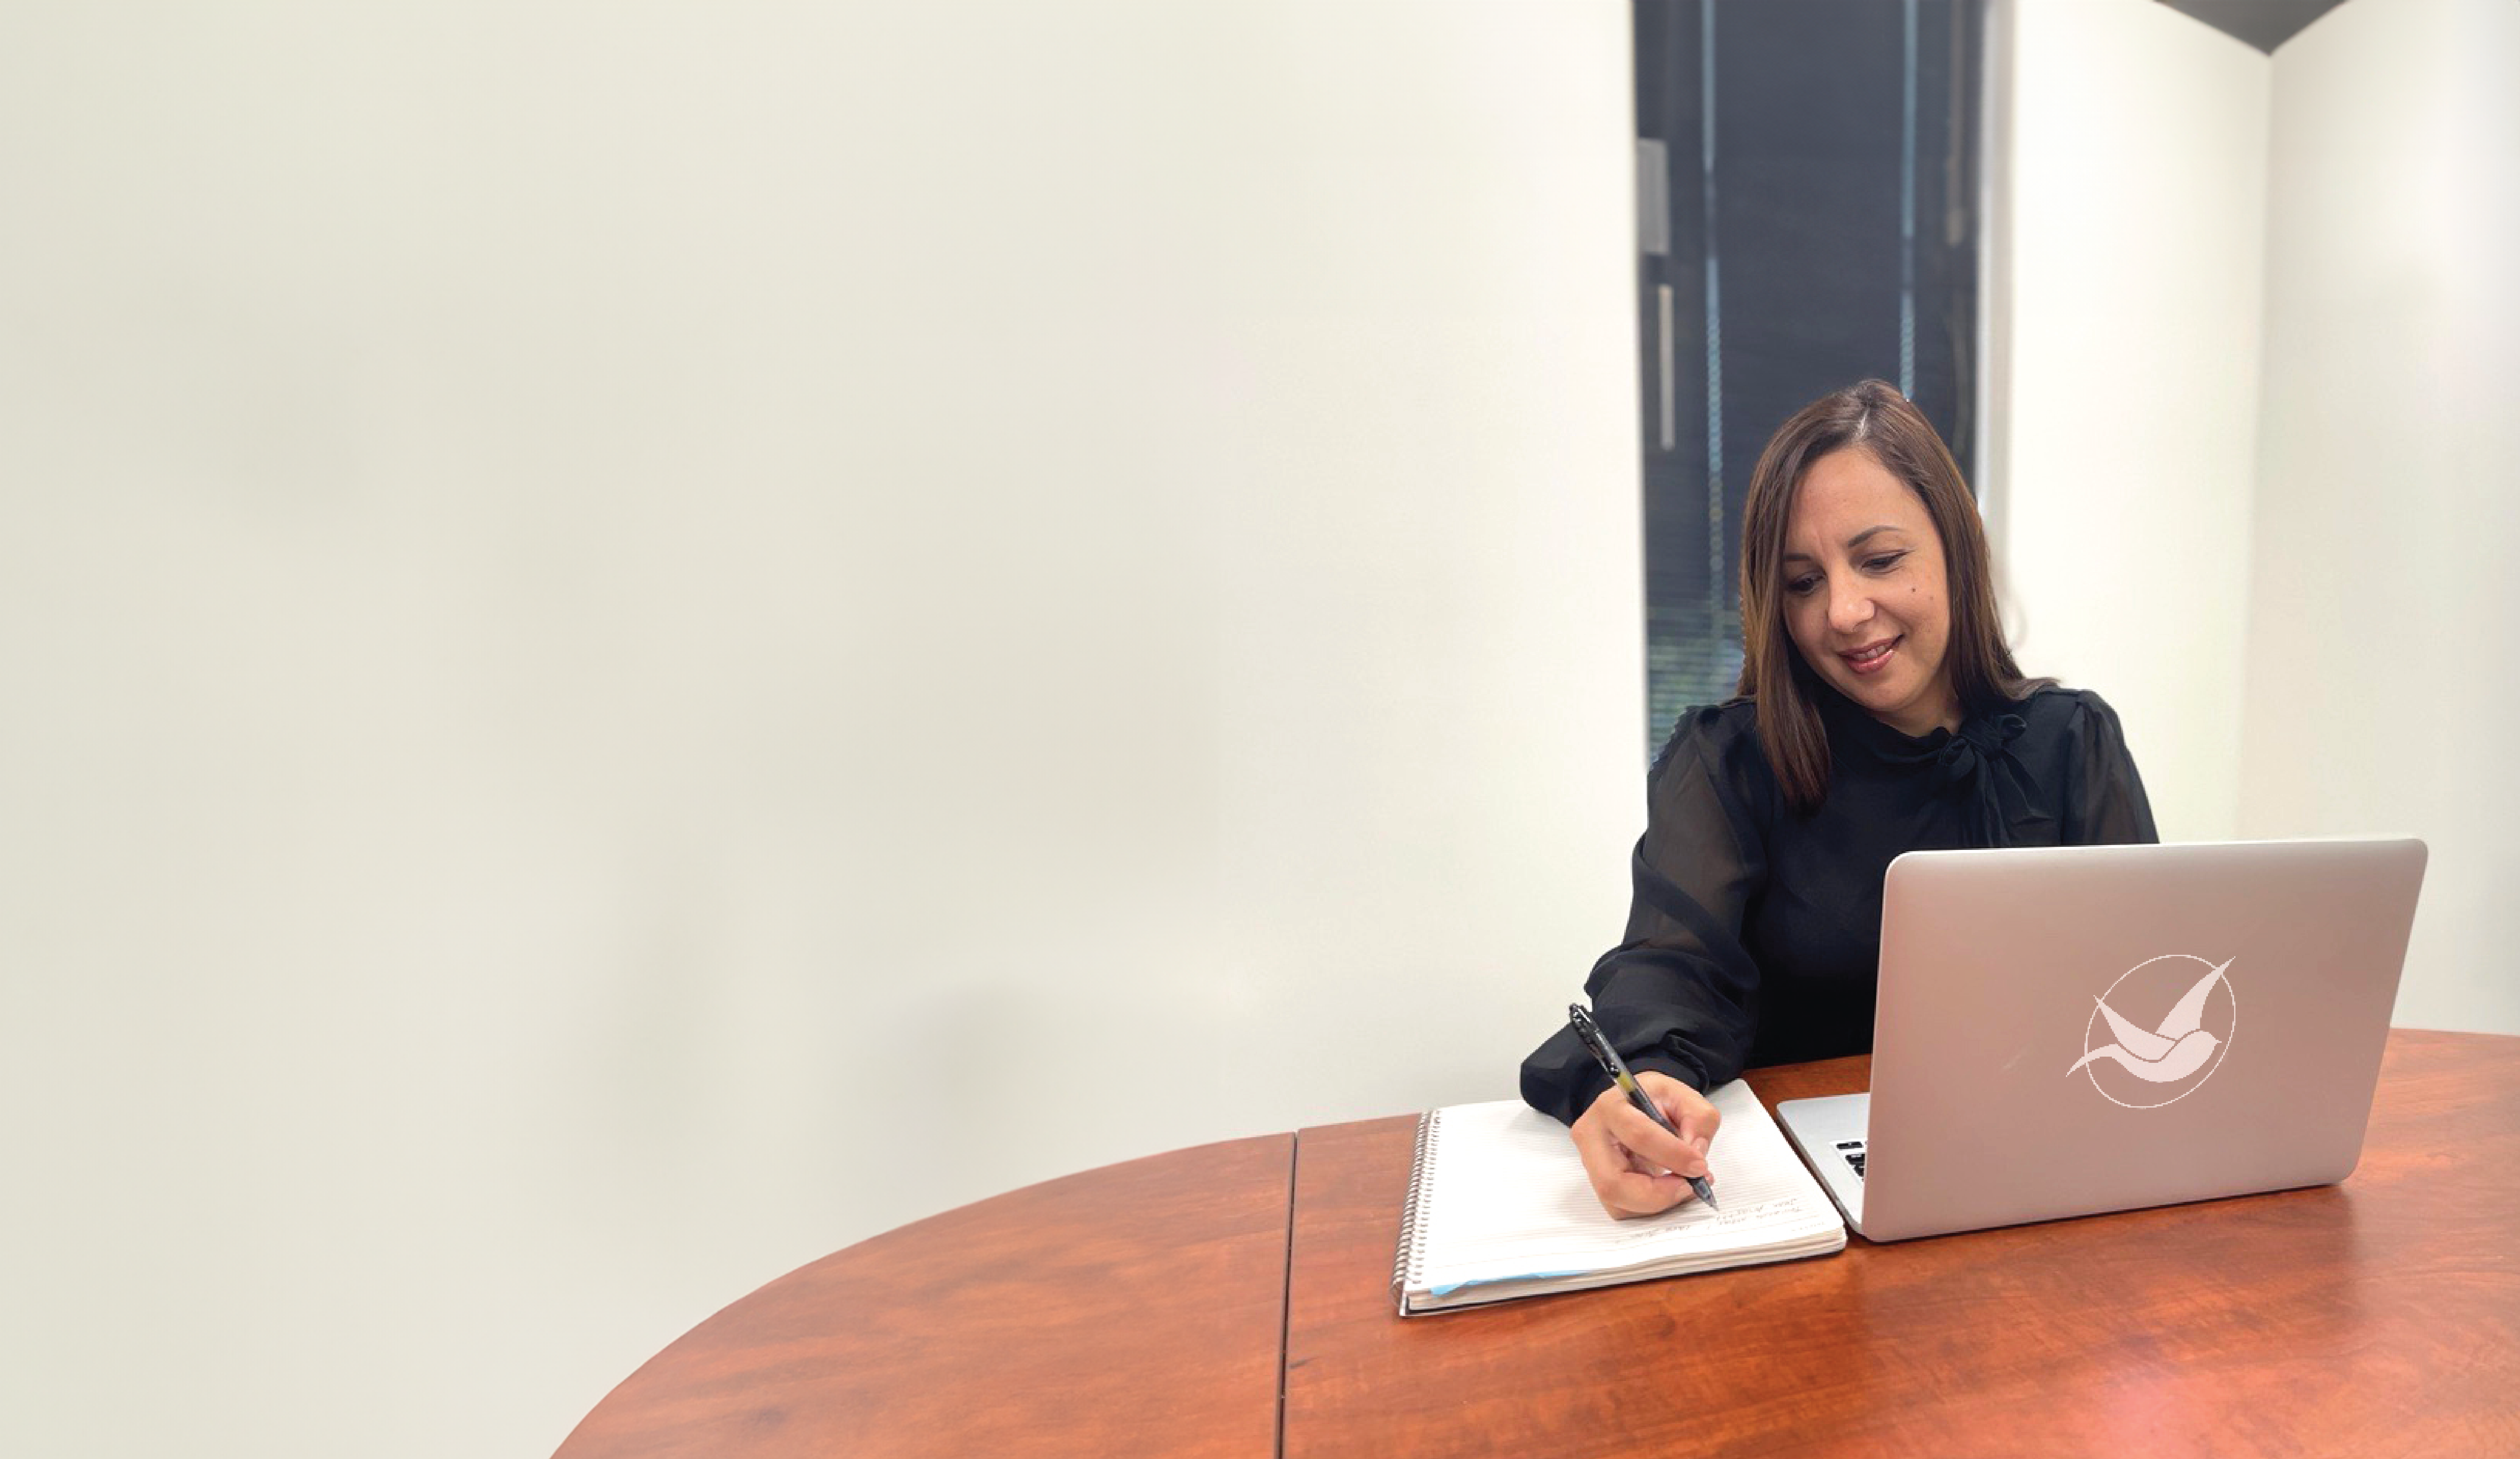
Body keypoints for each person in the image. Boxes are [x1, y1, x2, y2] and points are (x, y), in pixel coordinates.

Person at [1522, 379, 2156, 1219]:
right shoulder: (1727, 759)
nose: (1845, 612)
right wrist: (1648, 1076)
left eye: (1880, 560)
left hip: (2045, 1178)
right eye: (1801, 582)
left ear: (1956, 549)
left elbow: (2142, 975)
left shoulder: (2072, 741)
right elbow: (1673, 966)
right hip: (1805, 1203)